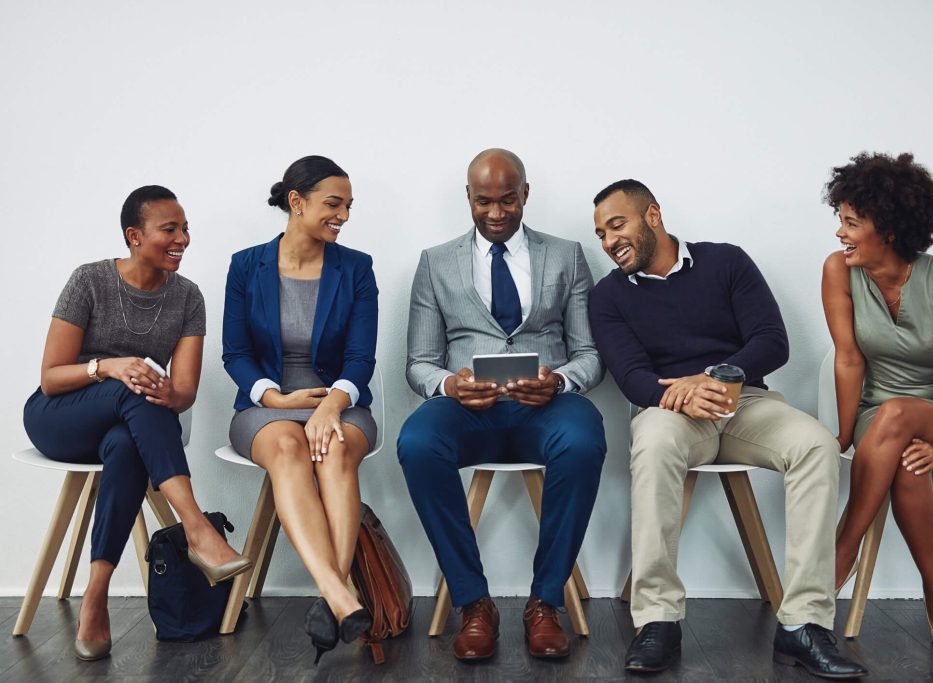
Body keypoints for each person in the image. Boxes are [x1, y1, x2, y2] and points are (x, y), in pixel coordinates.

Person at [588, 180, 867, 678]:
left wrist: (712, 379)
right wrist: (683, 394)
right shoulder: (608, 296)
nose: (609, 242)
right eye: (601, 234)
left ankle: (804, 624)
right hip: (670, 410)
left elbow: (771, 341)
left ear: (652, 215)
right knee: (651, 443)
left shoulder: (726, 262)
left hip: (745, 404)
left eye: (617, 225)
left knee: (816, 445)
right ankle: (657, 620)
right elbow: (631, 377)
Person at [23, 186, 251, 662]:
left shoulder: (188, 297)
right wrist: (109, 366)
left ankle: (95, 597)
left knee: (130, 440)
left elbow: (183, 392)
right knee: (135, 385)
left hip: (125, 425)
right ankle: (197, 530)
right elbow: (50, 379)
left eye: (185, 229)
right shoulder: (89, 281)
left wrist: (168, 392)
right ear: (134, 235)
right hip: (60, 417)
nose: (183, 239)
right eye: (170, 229)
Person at [397, 149, 605, 662]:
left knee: (584, 439)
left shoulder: (567, 255)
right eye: (483, 201)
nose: (495, 213)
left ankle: (545, 602)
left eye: (507, 200)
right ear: (467, 198)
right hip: (469, 409)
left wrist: (558, 381)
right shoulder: (435, 261)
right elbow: (419, 362)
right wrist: (450, 386)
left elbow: (590, 354)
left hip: (546, 407)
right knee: (417, 443)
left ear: (525, 194)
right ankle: (473, 603)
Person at [823, 152, 933, 647]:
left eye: (851, 222)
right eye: (840, 220)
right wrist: (846, 435)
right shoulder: (838, 271)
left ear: (887, 228)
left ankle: (841, 549)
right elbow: (849, 360)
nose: (839, 234)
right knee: (906, 458)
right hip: (881, 418)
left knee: (905, 427)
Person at [222, 155, 378, 664]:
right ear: (296, 202)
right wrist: (275, 399)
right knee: (289, 445)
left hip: (340, 402)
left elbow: (360, 358)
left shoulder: (356, 268)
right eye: (334, 205)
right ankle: (339, 596)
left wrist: (332, 404)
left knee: (330, 448)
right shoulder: (247, 265)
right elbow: (236, 354)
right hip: (266, 405)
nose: (344, 216)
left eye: (349, 207)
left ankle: (332, 600)